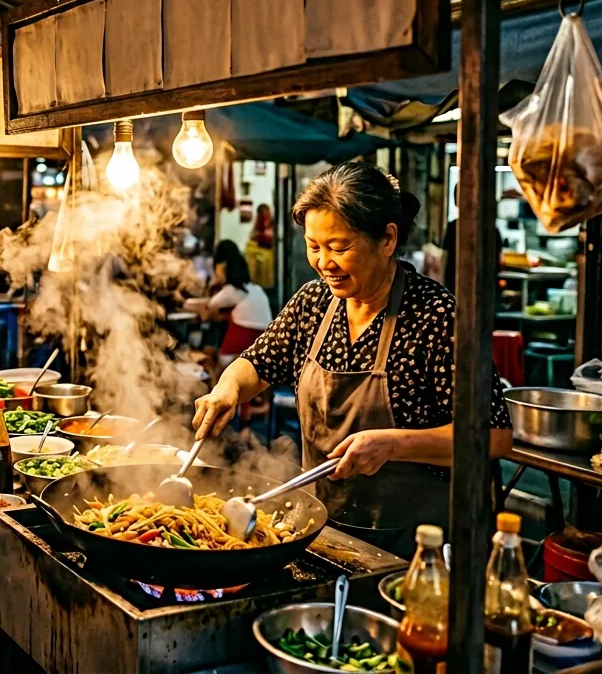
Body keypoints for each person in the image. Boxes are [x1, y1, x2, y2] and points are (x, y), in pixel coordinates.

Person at [191, 163, 512, 556]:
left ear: (388, 238)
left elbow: (494, 436)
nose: (324, 262)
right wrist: (226, 390)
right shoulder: (313, 302)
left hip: (419, 546)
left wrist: (393, 445)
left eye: (339, 247)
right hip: (323, 529)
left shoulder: (438, 316)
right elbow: (257, 363)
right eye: (314, 246)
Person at [192, 240, 274, 365]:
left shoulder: (231, 291)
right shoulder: (256, 289)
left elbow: (206, 313)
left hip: (238, 352)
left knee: (211, 346)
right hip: (264, 350)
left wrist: (212, 286)